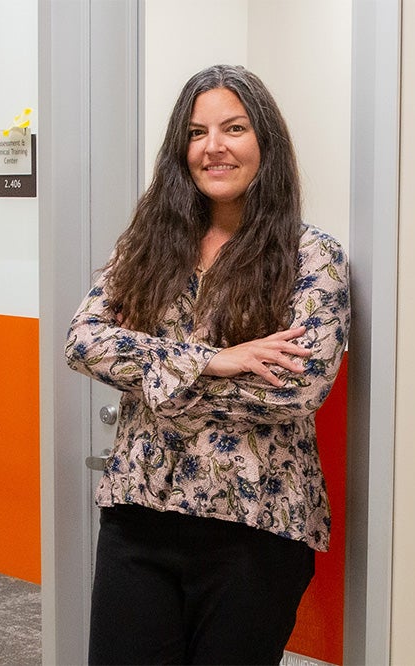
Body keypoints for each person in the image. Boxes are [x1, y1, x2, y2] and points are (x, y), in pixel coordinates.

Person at [64, 64, 351, 665]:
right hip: (137, 518)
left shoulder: (311, 256)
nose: (213, 147)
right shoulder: (144, 245)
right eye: (196, 132)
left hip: (253, 529)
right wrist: (215, 361)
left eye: (234, 128)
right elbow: (84, 342)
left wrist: (152, 378)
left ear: (265, 144)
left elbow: (295, 390)